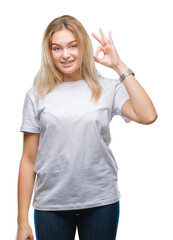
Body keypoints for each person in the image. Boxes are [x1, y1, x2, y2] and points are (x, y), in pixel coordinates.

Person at [16, 15, 157, 240]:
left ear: (83, 46)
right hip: (51, 204)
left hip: (101, 201)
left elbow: (148, 115)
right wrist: (22, 221)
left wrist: (118, 65)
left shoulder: (108, 88)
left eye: (73, 45)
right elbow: (28, 159)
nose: (66, 54)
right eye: (57, 48)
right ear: (49, 52)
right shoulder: (36, 95)